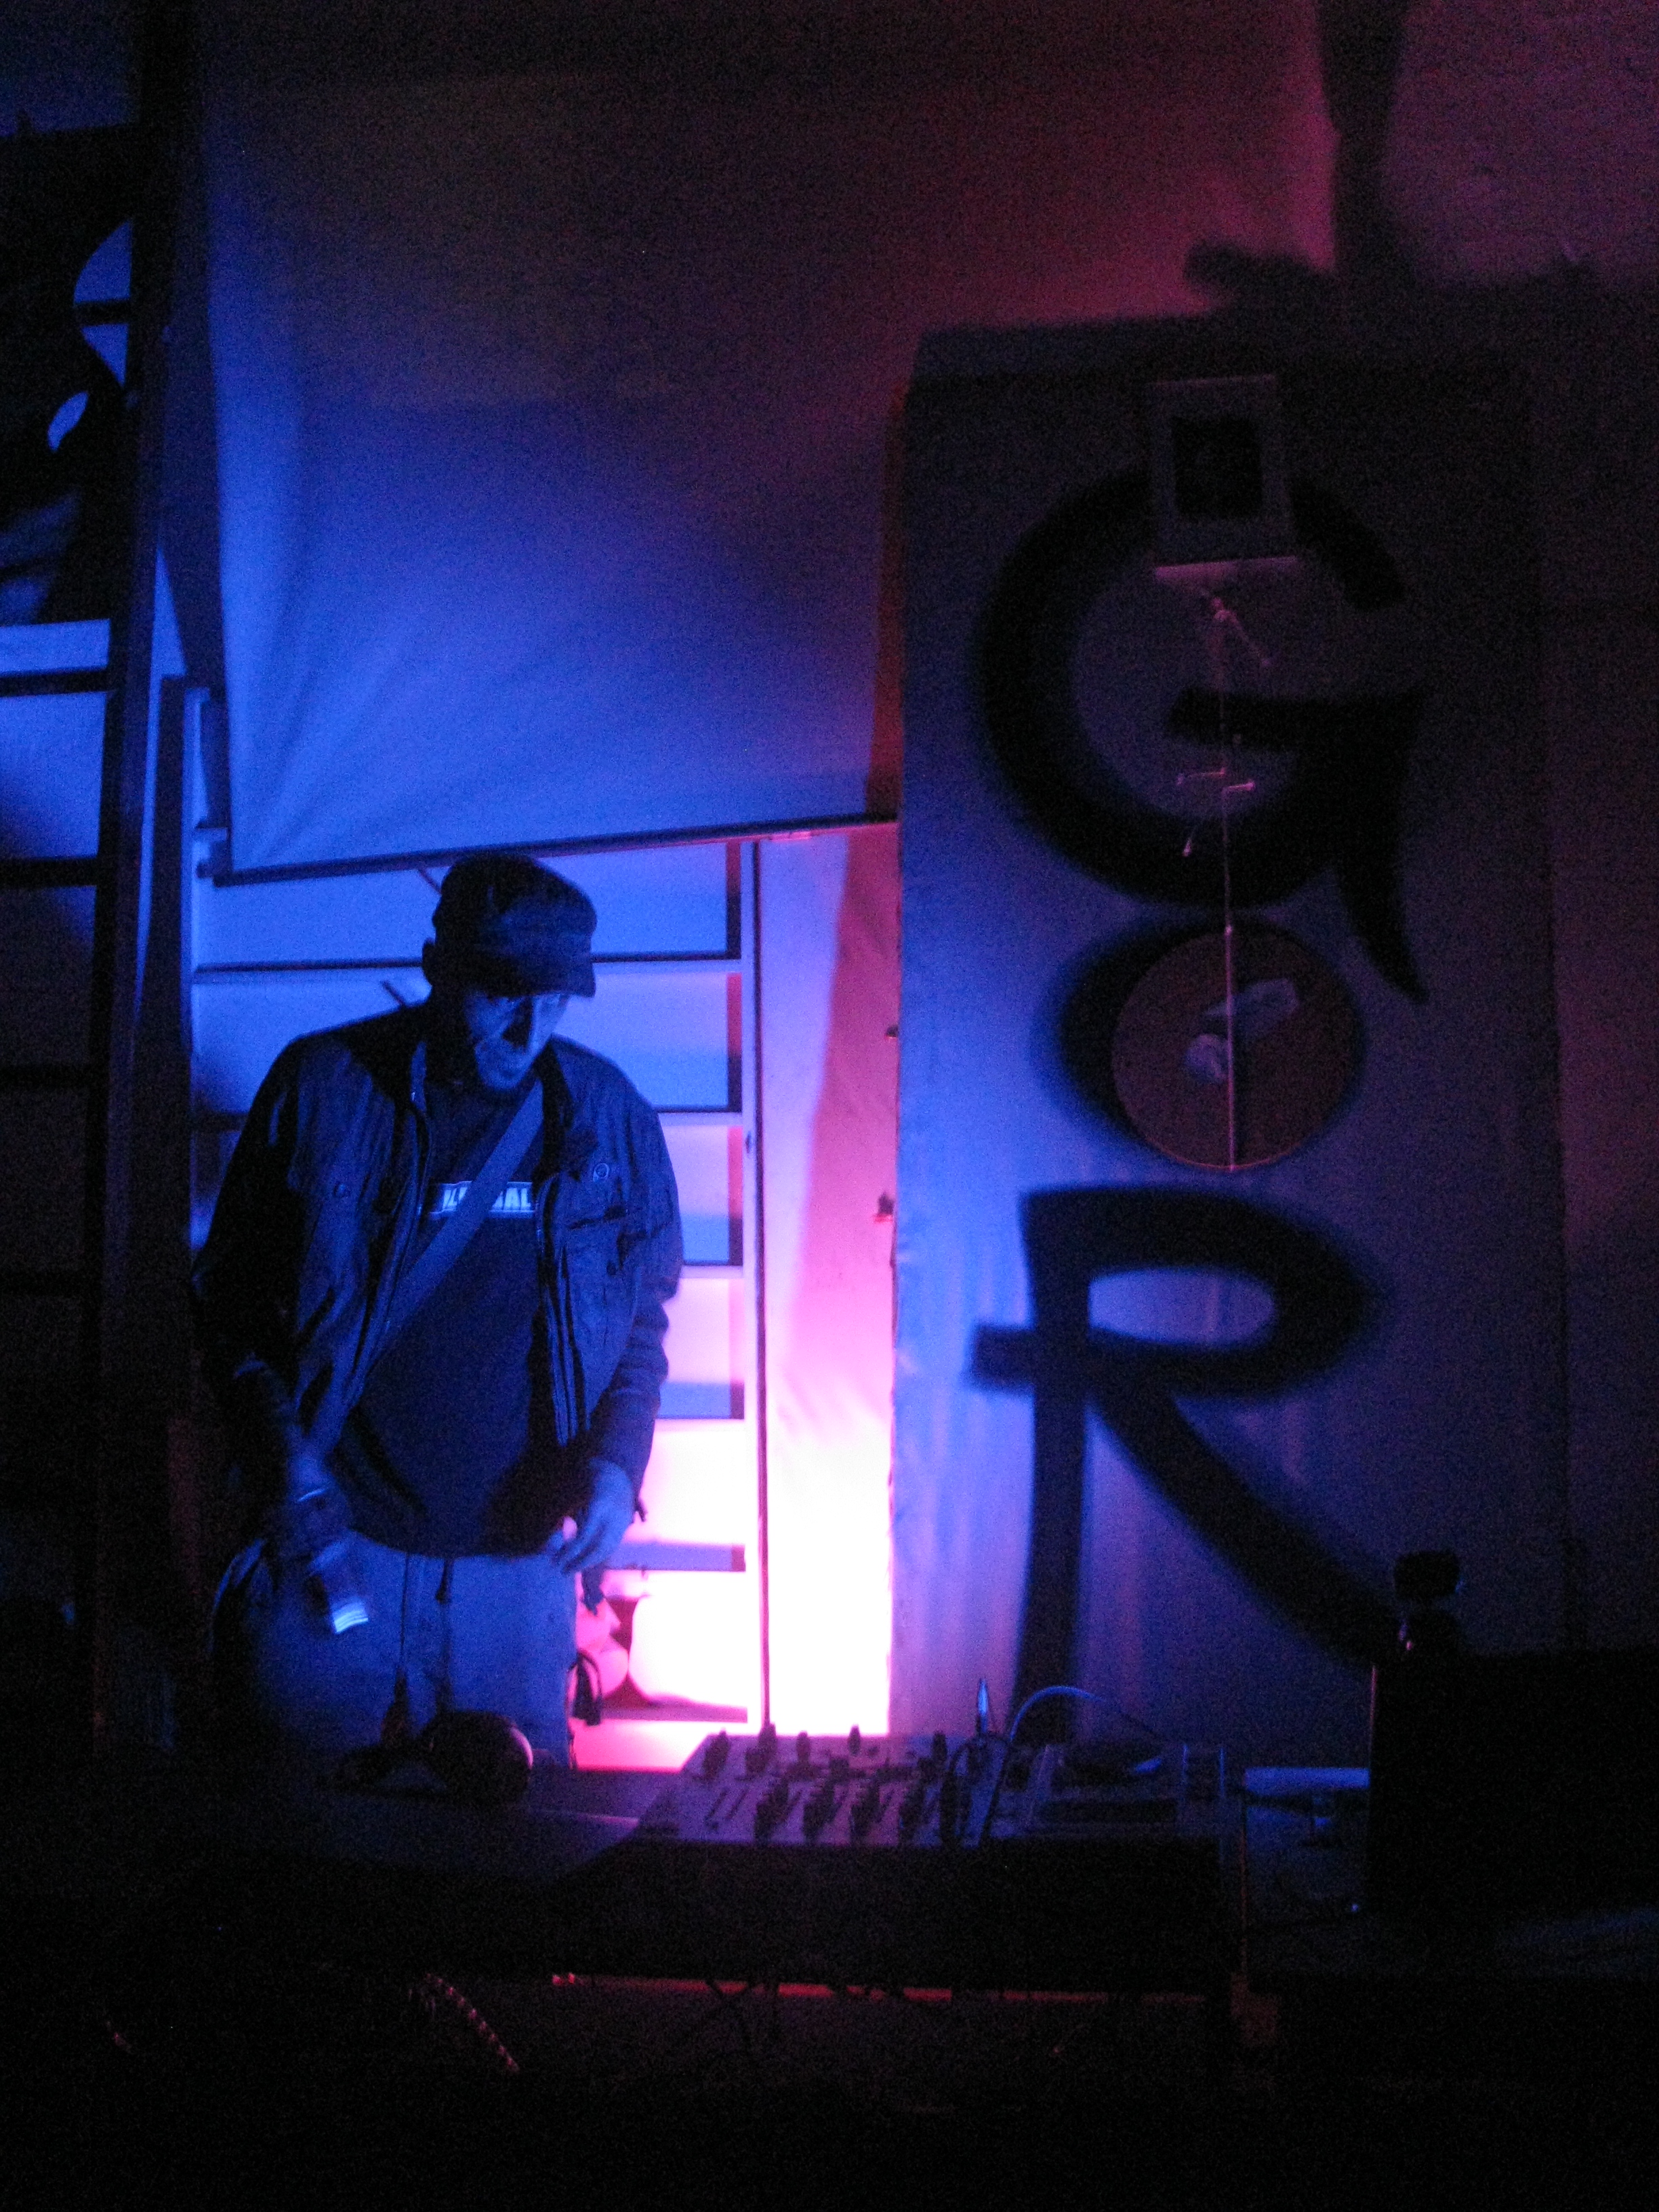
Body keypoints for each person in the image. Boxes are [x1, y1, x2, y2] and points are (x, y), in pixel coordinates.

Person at [195, 854, 682, 1776]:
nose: (529, 1028)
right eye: (503, 993)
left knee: (515, 1840)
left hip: (518, 1567)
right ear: (438, 967)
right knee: (292, 1821)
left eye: (555, 1000)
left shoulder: (608, 1117)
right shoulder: (324, 1088)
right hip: (334, 1543)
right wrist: (279, 1453)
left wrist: (618, 1464)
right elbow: (228, 1300)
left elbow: (641, 1321)